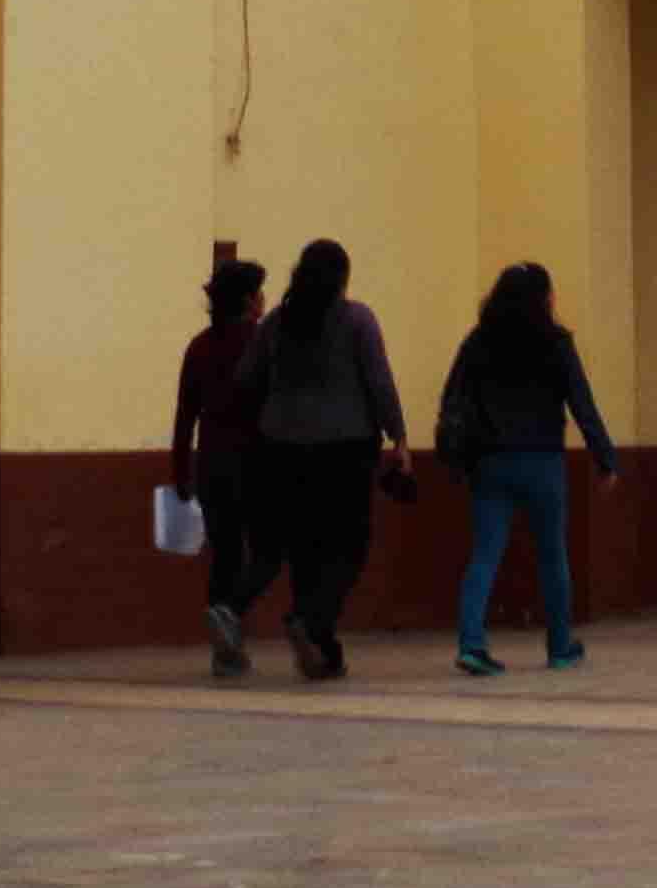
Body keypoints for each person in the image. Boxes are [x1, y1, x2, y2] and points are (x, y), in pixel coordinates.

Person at [438, 261, 617, 676]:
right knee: (552, 556)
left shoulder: (477, 343)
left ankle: (471, 643)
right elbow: (582, 403)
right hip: (543, 462)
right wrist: (605, 457)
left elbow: (453, 400)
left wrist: (456, 456)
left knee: (484, 555)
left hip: (491, 463)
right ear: (544, 299)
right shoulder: (555, 343)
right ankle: (559, 646)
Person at [243, 238, 404, 679]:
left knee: (304, 547)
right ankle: (309, 621)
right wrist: (399, 438)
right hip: (345, 449)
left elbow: (248, 380)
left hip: (281, 449)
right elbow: (379, 380)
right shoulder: (356, 319)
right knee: (350, 545)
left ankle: (322, 647)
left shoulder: (276, 322)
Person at [171, 255, 271, 677]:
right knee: (266, 550)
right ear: (250, 300)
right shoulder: (263, 342)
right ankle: (231, 615)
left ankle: (224, 650)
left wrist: (180, 472)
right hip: (257, 463)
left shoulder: (199, 346)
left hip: (212, 465)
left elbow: (184, 416)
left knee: (224, 555)